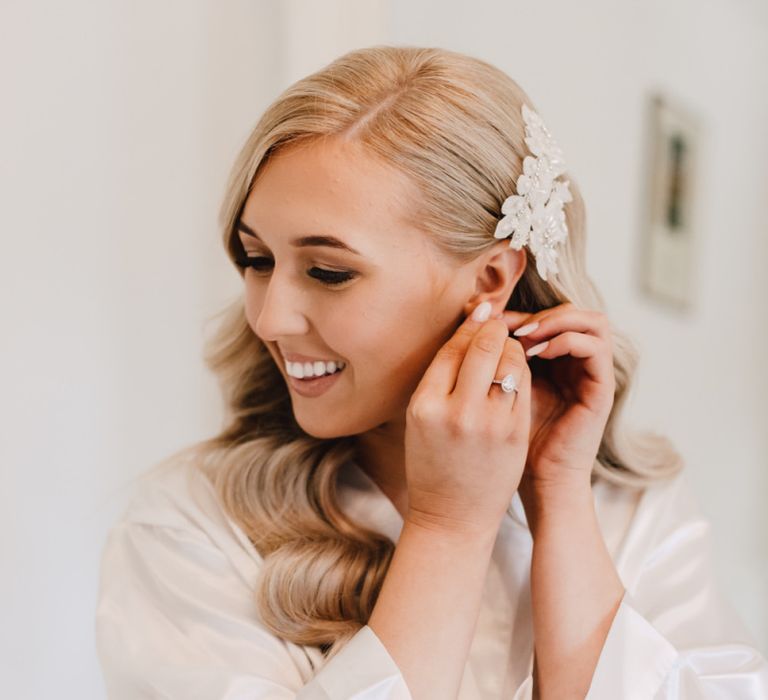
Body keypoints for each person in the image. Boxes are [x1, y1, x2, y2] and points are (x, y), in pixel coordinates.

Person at [94, 45, 768, 699]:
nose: (270, 320)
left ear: (491, 280)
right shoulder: (189, 524)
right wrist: (448, 529)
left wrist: (559, 498)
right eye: (256, 259)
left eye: (329, 272)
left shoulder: (634, 511)